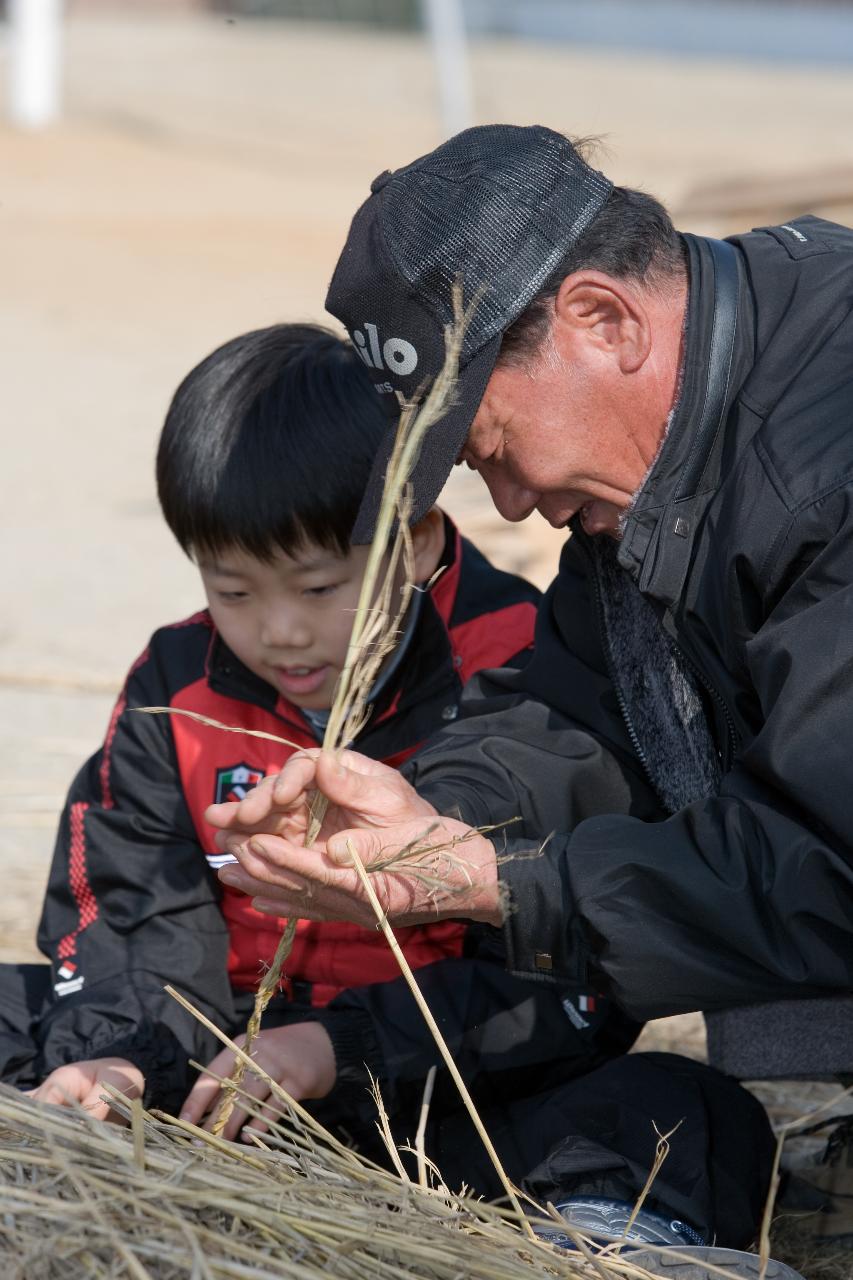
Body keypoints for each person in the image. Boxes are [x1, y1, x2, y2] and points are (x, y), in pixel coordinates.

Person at [206, 124, 853, 1245]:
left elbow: (830, 870)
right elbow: (581, 704)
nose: (507, 504)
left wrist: (494, 882)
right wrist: (420, 820)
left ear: (605, 321)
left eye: (492, 443)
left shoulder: (823, 452)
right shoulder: (675, 436)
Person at [0, 322, 593, 1159]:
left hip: (430, 1080)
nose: (279, 632)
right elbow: (133, 897)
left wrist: (333, 1049)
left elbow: (557, 948)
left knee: (669, 1108)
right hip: (217, 1059)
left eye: (317, 586)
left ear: (416, 539)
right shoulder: (178, 685)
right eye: (231, 588)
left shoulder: (521, 664)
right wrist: (125, 1057)